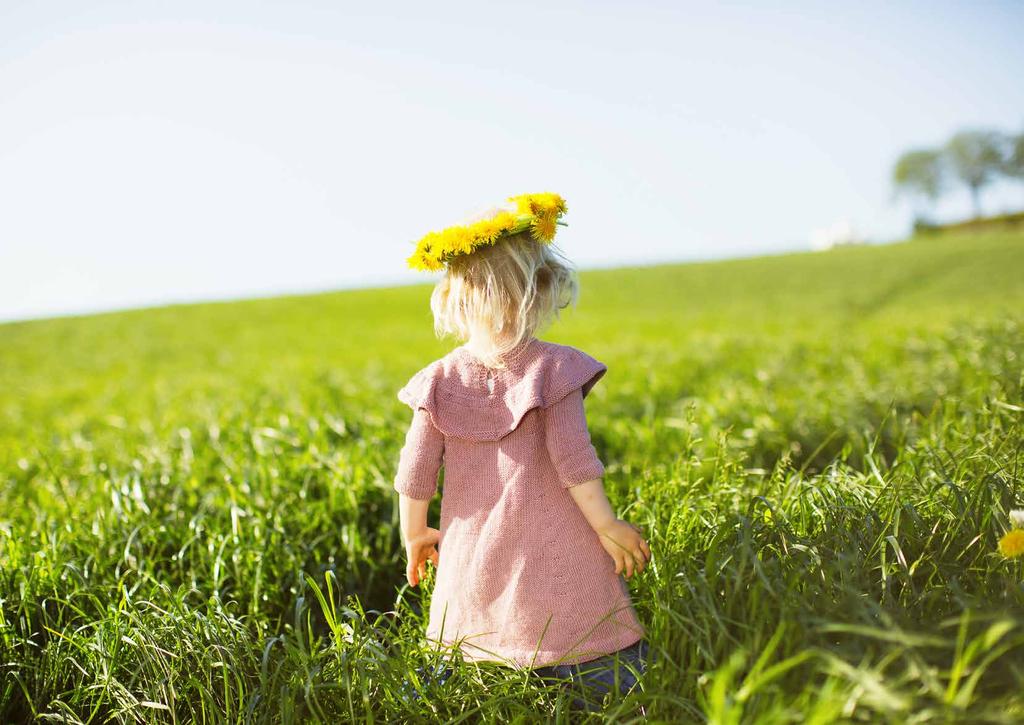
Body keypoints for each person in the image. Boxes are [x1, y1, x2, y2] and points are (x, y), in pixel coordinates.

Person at [394, 193, 652, 711]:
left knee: (468, 671)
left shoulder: (438, 381)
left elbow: (415, 473)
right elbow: (574, 460)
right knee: (599, 667)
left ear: (457, 300)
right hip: (559, 562)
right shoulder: (553, 370)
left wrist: (414, 533)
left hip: (473, 564)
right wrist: (605, 524)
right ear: (534, 295)